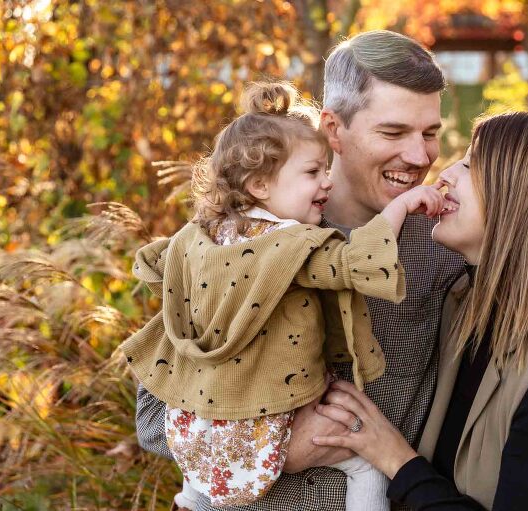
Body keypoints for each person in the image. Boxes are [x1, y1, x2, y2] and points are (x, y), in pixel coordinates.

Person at [134, 30, 528, 511]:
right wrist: (278, 451)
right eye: (392, 132)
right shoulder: (236, 242)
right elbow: (154, 419)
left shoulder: (448, 252)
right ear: (334, 130)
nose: (419, 158)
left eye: (431, 134)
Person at [121, 82, 448, 509]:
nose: (326, 182)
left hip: (199, 419)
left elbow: (155, 271)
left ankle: (192, 501)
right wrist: (401, 210)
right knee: (367, 464)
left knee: (200, 481)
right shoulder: (294, 246)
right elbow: (354, 262)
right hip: (272, 410)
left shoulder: (196, 240)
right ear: (260, 184)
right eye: (313, 172)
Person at [311, 112, 528, 510]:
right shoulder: (463, 303)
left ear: (520, 200)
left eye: (469, 164)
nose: (444, 172)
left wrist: (396, 458)